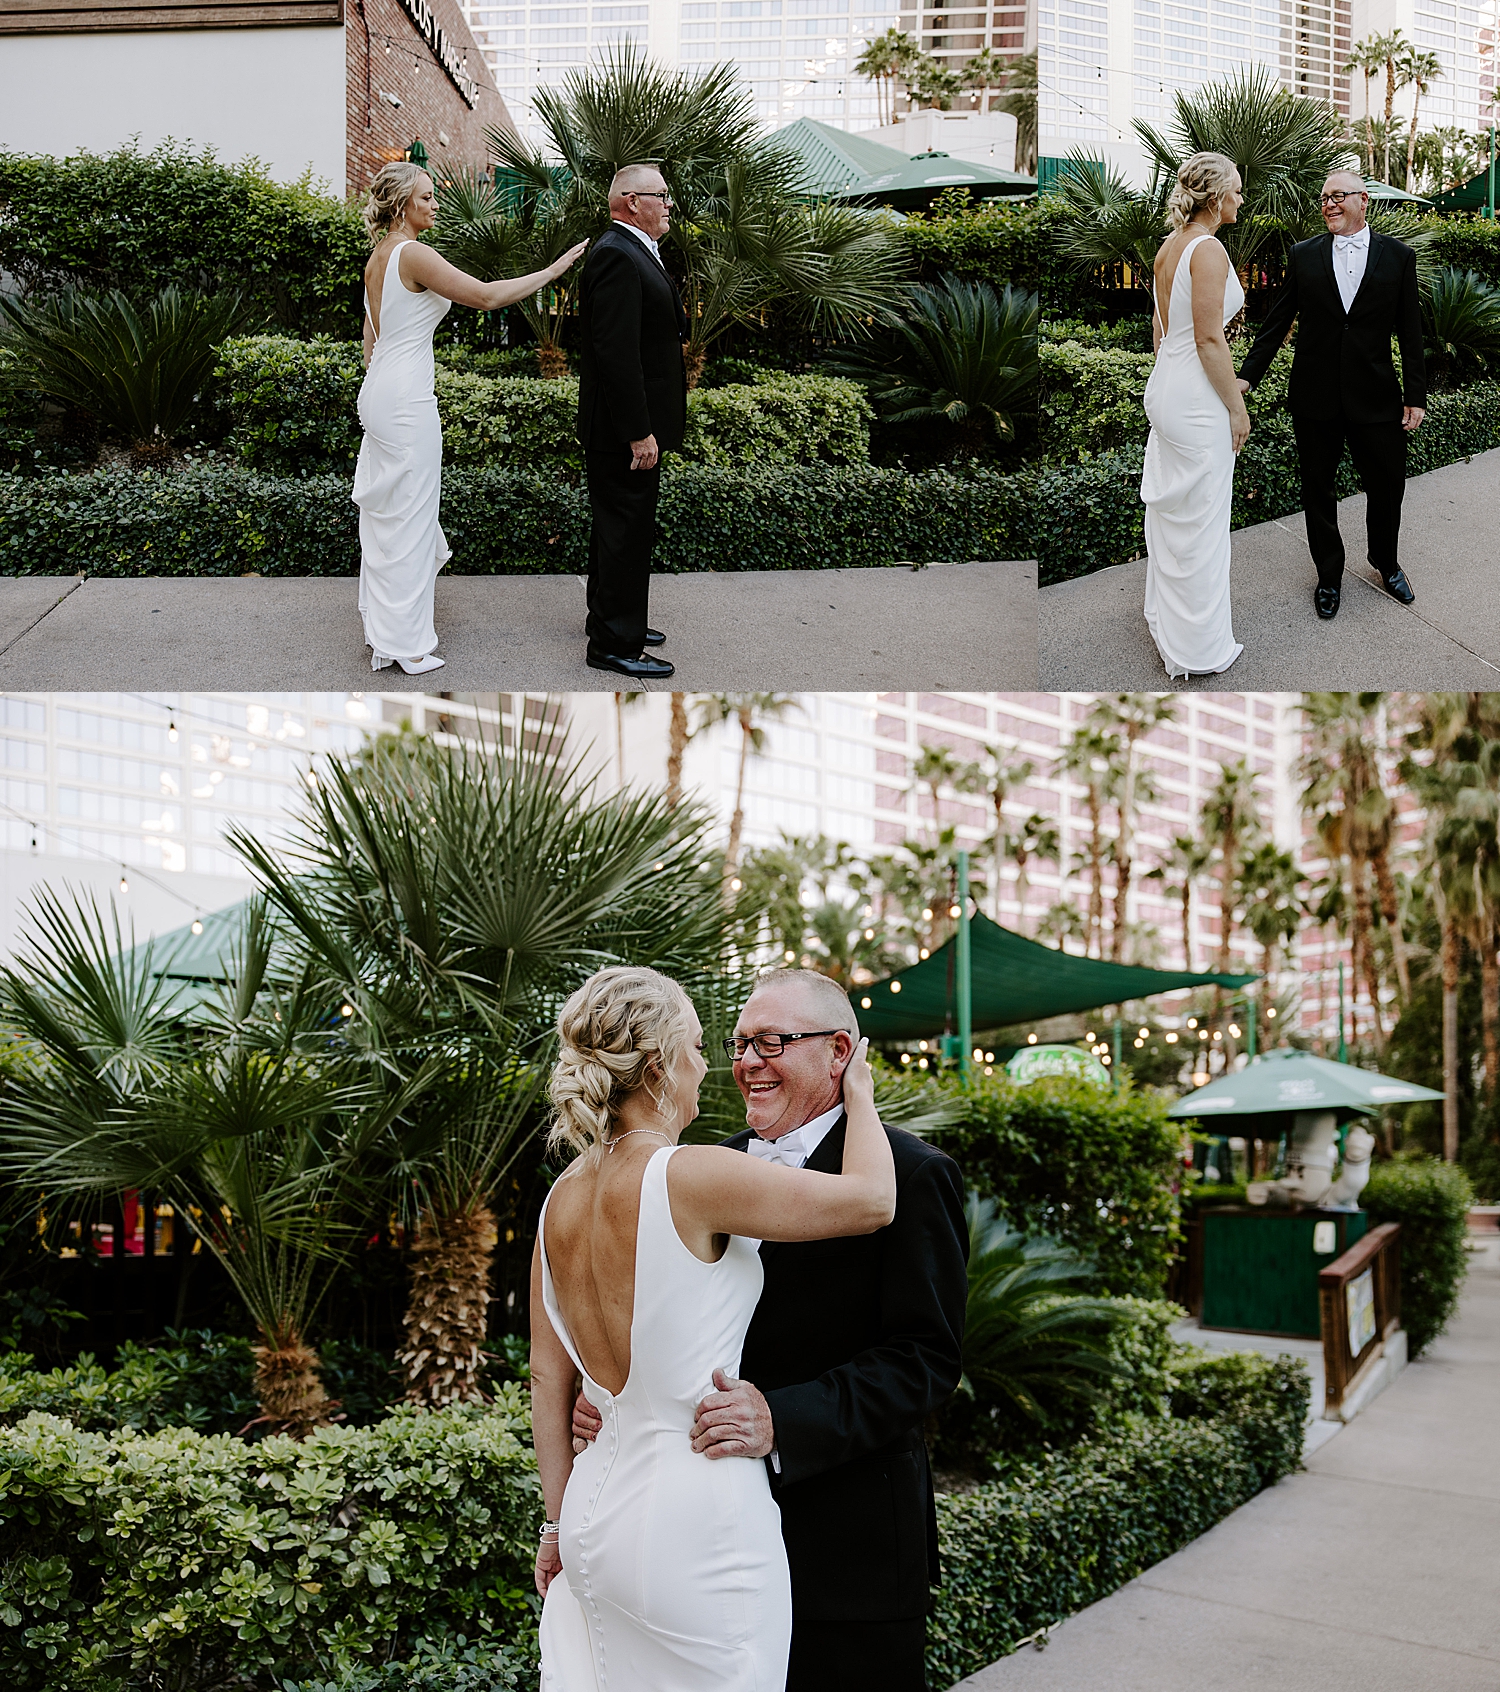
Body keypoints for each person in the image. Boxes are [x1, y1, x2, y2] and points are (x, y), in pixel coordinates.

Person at [570, 968, 969, 1692]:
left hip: (848, 1557)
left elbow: (926, 1360)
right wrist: (617, 1392)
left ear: (839, 1052)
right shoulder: (698, 1168)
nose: (748, 1062)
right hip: (697, 1548)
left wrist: (779, 1419)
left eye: (773, 1041)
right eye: (739, 1043)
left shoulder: (911, 1175)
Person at [355, 162, 586, 674]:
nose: (435, 205)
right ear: (401, 206)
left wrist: (382, 389)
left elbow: (371, 338)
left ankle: (388, 634)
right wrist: (551, 273)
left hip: (380, 391)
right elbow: (484, 296)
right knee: (412, 519)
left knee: (390, 519)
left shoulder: (378, 258)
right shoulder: (413, 253)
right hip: (406, 398)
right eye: (427, 198)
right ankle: (408, 646)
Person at [1236, 168, 1426, 621]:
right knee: (1318, 490)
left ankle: (1386, 560)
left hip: (1376, 397)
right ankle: (1329, 575)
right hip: (1315, 397)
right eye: (1323, 198)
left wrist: (1415, 395)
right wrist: (1246, 378)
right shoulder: (1304, 255)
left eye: (1337, 196)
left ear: (1364, 200)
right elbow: (1276, 322)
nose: (1328, 204)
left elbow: (1411, 332)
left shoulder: (1398, 256)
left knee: (1387, 486)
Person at [575, 164, 689, 681]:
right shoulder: (617, 255)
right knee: (625, 530)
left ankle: (613, 620)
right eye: (661, 196)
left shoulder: (631, 249)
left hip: (625, 423)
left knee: (618, 529)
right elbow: (616, 353)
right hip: (623, 429)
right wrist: (639, 431)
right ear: (630, 202)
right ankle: (613, 643)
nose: (669, 204)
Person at [1140, 151, 1249, 680]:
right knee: (1203, 520)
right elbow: (1209, 339)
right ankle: (1199, 647)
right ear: (1215, 196)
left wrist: (1167, 381)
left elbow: (1161, 329)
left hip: (1167, 384)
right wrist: (1237, 406)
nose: (1241, 198)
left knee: (1174, 516)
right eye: (1236, 188)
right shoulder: (1207, 251)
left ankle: (1170, 623)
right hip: (1195, 395)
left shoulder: (1169, 247)